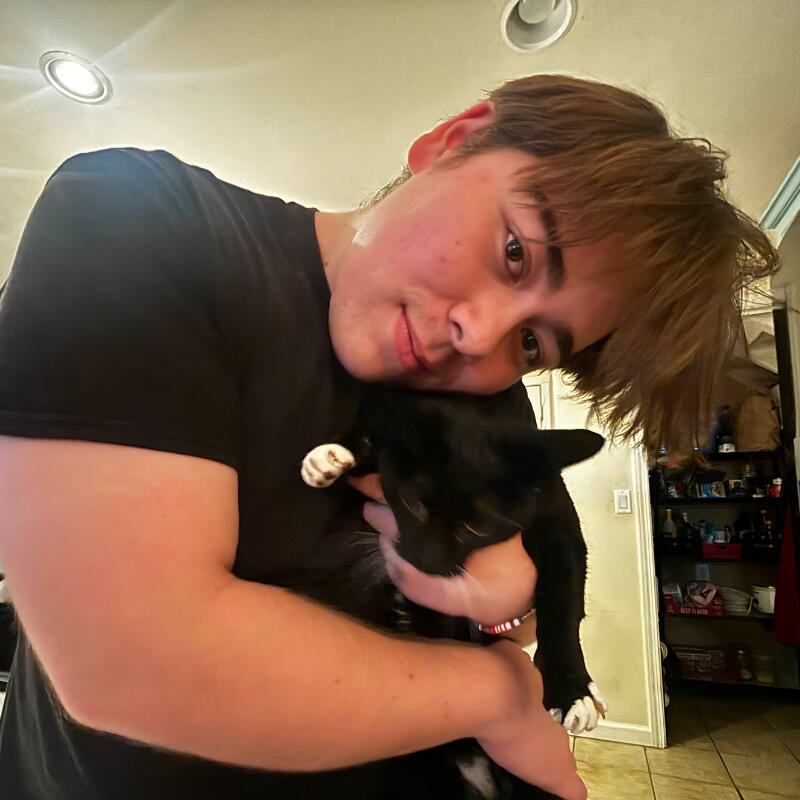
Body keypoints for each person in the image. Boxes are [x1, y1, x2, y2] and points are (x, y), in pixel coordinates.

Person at [0, 74, 778, 799]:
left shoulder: (491, 400)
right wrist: (499, 695)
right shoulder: (138, 215)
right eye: (515, 250)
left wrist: (510, 604)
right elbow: (131, 662)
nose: (481, 337)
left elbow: (520, 599)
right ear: (452, 140)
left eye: (533, 343)